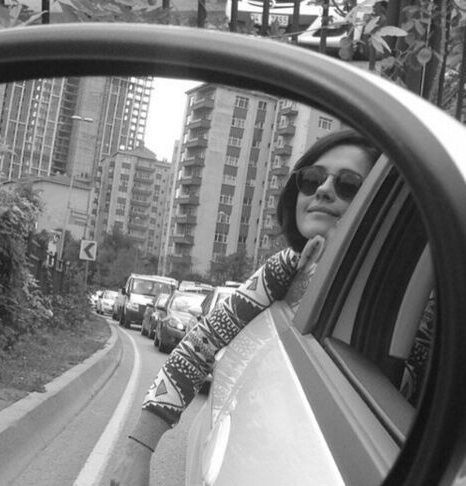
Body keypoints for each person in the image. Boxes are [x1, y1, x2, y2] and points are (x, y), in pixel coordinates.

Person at [110, 129, 381, 486]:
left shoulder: (387, 286)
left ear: (376, 204)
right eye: (312, 179)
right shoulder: (286, 268)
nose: (323, 190)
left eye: (348, 185)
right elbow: (200, 344)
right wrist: (138, 449)